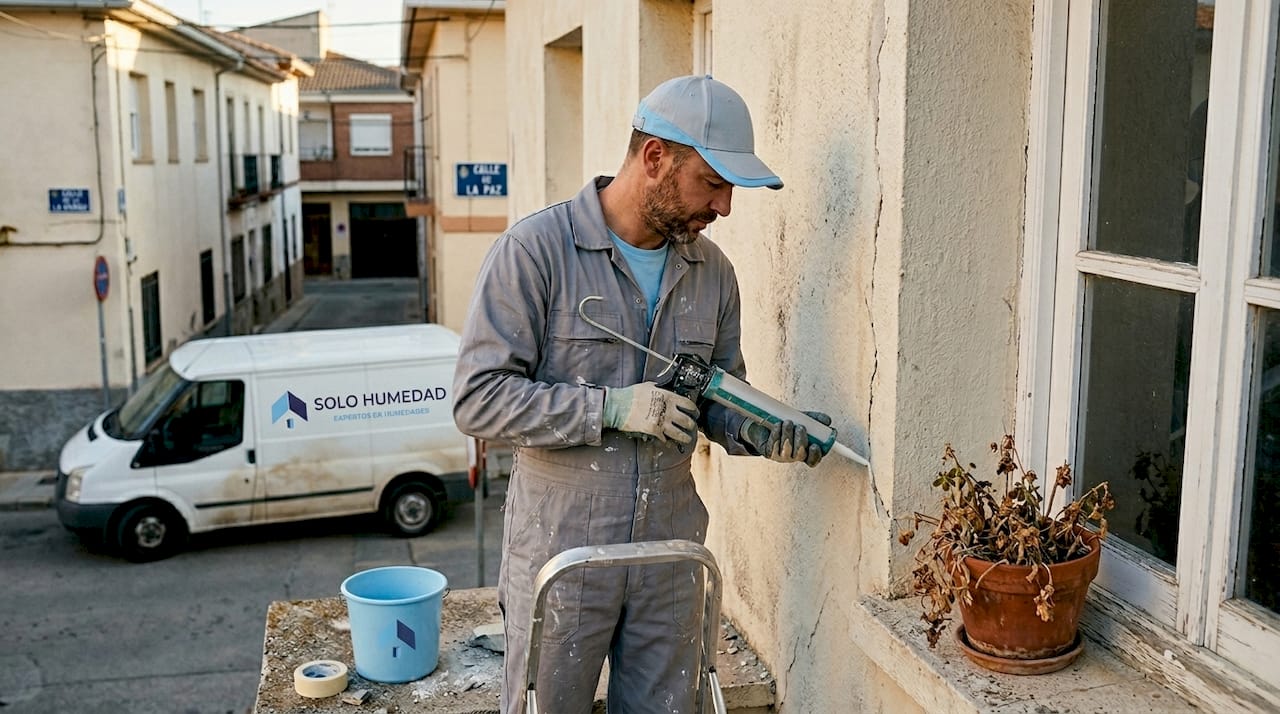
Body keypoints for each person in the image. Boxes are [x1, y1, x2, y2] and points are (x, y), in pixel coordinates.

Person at [452, 74, 831, 714]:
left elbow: (717, 397)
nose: (725, 207)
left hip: (669, 554)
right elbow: (477, 400)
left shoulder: (713, 274)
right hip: (562, 553)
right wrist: (608, 409)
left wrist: (768, 430)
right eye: (712, 184)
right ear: (655, 157)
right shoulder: (536, 252)